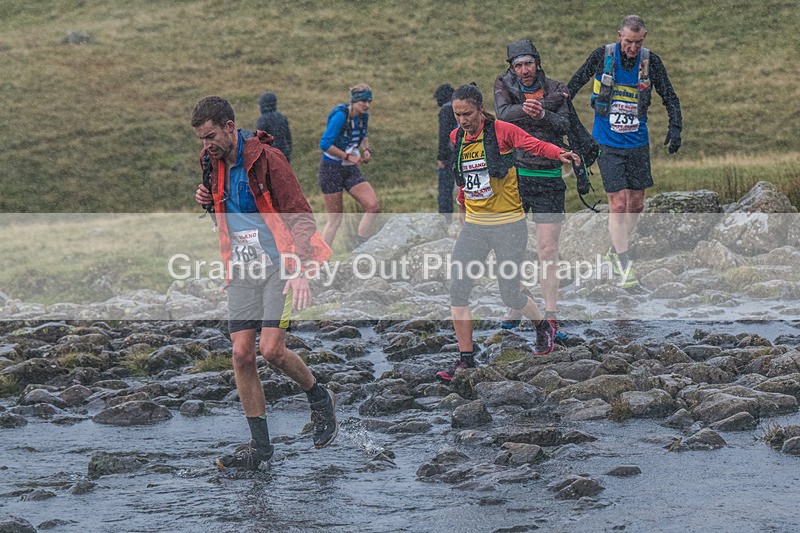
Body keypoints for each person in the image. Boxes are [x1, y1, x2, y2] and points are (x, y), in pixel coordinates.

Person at [191, 96, 337, 471]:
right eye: (201, 140)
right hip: (241, 268)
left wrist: (301, 268)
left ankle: (319, 397)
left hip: (279, 263)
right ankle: (261, 449)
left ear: (229, 126)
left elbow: (301, 216)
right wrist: (207, 201)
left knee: (271, 350)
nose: (207, 146)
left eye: (211, 137)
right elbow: (224, 210)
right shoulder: (211, 161)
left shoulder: (268, 159)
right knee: (241, 354)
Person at [436, 84, 581, 382]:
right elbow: (465, 176)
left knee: (510, 293)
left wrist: (560, 153)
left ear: (480, 109)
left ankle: (542, 327)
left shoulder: (502, 130)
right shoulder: (456, 137)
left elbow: (534, 144)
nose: (462, 120)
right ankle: (466, 359)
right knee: (458, 291)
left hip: (508, 225)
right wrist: (462, 203)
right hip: (475, 227)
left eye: (467, 114)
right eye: (457, 114)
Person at [568, 14, 682, 290]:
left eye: (638, 42)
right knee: (618, 204)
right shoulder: (602, 56)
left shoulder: (650, 61)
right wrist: (568, 129)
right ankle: (624, 264)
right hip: (606, 142)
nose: (632, 47)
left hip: (637, 142)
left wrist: (676, 126)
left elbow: (669, 95)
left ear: (644, 38)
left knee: (637, 204)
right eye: (628, 41)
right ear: (619, 35)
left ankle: (616, 250)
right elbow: (571, 88)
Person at [494, 39, 571, 338]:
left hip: (550, 176)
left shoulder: (556, 87)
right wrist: (530, 110)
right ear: (511, 67)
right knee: (509, 248)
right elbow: (502, 115)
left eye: (528, 64)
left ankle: (551, 315)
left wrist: (543, 114)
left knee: (548, 250)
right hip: (516, 176)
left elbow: (564, 124)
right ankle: (519, 302)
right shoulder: (504, 85)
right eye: (518, 65)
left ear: (537, 62)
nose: (524, 71)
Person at [317, 83, 381, 247]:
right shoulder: (340, 116)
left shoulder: (363, 117)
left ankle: (360, 247)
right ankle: (320, 262)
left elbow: (363, 134)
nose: (367, 105)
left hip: (349, 169)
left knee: (373, 206)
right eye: (363, 102)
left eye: (369, 101)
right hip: (331, 169)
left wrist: (366, 149)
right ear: (354, 101)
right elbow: (324, 143)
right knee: (335, 220)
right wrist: (347, 156)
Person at [434, 83, 457, 223]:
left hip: (449, 155)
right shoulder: (459, 107)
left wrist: (441, 157)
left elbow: (444, 135)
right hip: (462, 152)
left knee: (445, 191)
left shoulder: (445, 110)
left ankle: (445, 221)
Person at [255, 91, 293, 162]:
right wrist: (288, 151)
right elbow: (288, 138)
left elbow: (259, 140)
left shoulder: (263, 120)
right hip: (284, 153)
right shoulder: (282, 118)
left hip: (270, 155)